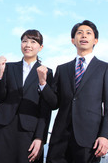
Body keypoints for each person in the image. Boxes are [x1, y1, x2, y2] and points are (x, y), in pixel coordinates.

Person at [37, 20, 108, 163]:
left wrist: (104, 136)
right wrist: (43, 83)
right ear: (72, 40)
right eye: (79, 33)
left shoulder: (104, 68)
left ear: (95, 40)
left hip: (89, 140)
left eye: (88, 33)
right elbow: (54, 103)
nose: (83, 36)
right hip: (60, 137)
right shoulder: (62, 69)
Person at [0, 29, 53, 163]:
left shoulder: (46, 72)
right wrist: (0, 72)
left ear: (41, 47)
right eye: (24, 41)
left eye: (33, 41)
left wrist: (40, 137)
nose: (28, 45)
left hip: (28, 131)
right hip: (3, 127)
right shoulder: (8, 67)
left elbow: (46, 108)